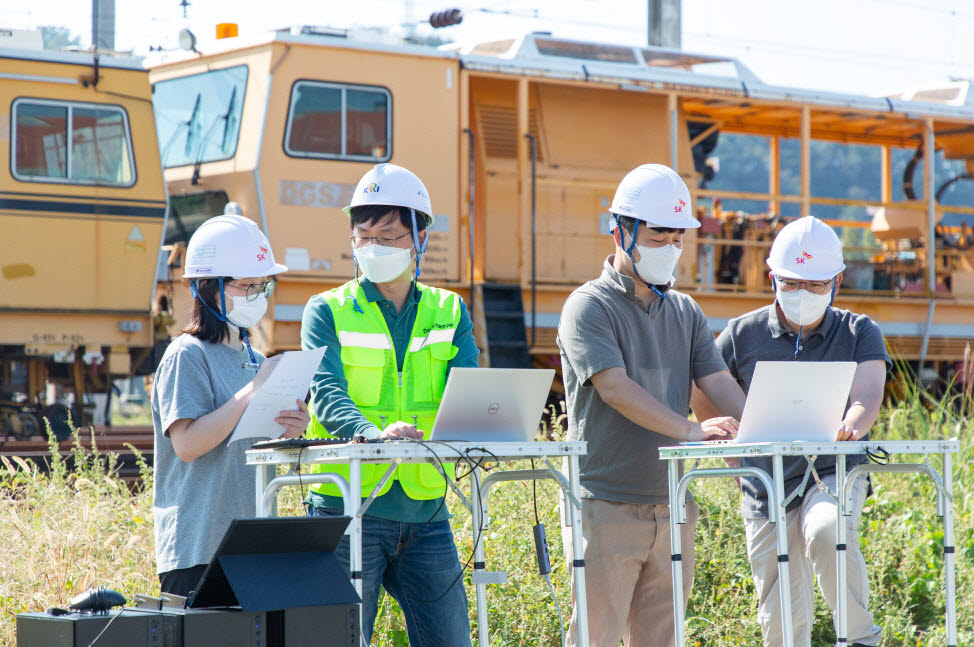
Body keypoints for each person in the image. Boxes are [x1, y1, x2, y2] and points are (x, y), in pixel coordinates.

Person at [557, 163, 746, 647]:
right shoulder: (589, 306)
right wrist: (690, 431)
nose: (670, 247)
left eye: (678, 237)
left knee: (661, 640)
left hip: (672, 506)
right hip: (604, 503)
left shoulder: (685, 310)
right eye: (658, 235)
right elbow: (615, 388)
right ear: (621, 232)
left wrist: (768, 426)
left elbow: (718, 381)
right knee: (594, 639)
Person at [301, 163, 478, 647]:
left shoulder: (450, 310)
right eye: (364, 236)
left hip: (426, 511)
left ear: (421, 238)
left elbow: (472, 392)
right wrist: (373, 435)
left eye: (392, 235)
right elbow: (328, 392)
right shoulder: (326, 309)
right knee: (337, 640)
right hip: (348, 508)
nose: (374, 248)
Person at [691, 216, 889, 647]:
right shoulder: (742, 334)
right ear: (773, 279)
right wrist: (730, 452)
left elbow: (868, 393)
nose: (805, 294)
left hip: (832, 470)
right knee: (781, 617)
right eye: (793, 283)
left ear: (836, 282)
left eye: (816, 285)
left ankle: (858, 638)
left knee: (826, 529)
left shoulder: (858, 330)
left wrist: (851, 426)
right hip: (765, 483)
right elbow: (701, 386)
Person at [151, 214, 309, 597]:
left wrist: (292, 429)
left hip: (253, 545)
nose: (258, 295)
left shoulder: (253, 358)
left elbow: (251, 449)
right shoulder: (186, 355)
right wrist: (251, 392)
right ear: (208, 288)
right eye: (247, 286)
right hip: (199, 549)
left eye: (263, 286)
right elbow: (187, 445)